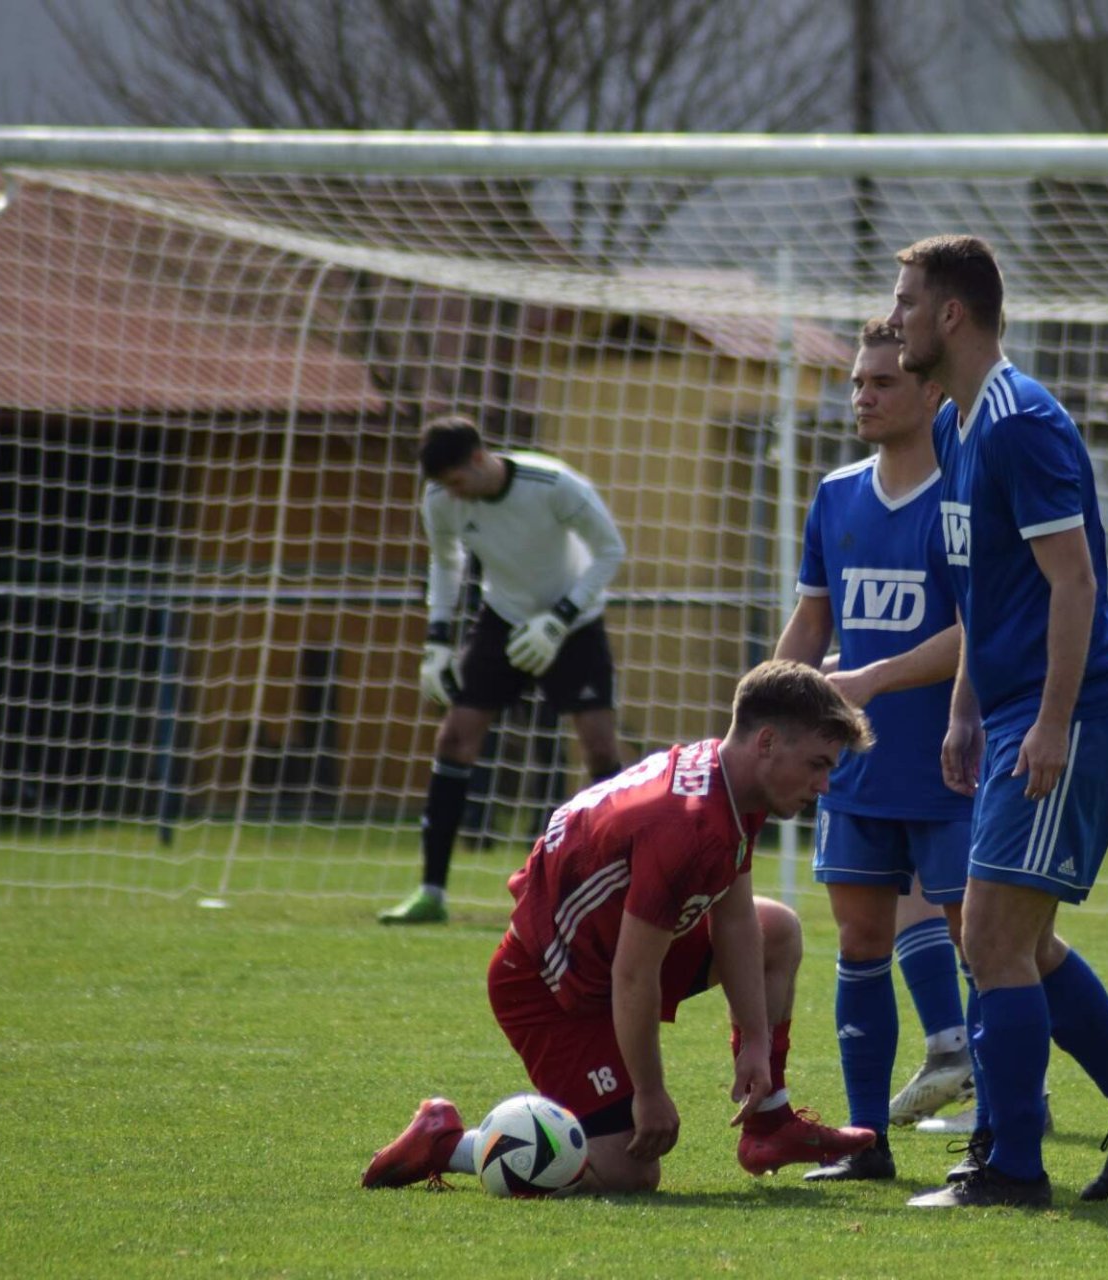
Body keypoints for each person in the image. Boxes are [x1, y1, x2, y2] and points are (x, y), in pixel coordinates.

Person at [887, 234, 1108, 1209]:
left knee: (990, 939)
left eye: (905, 302)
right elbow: (985, 589)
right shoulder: (954, 425)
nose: (892, 319)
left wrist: (1051, 721)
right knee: (1022, 942)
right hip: (1017, 709)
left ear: (950, 314)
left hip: (1077, 710)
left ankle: (1011, 1166)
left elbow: (1074, 582)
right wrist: (966, 706)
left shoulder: (1022, 423)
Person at [361, 660, 880, 1194]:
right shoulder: (686, 824)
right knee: (630, 1172)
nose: (824, 785)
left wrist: (755, 1039)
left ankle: (770, 1125)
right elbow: (633, 976)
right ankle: (448, 1143)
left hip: (604, 955)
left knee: (777, 929)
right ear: (766, 742)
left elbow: (736, 917)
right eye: (818, 765)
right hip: (547, 987)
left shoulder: (733, 783)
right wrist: (650, 1093)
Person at [772, 319, 976, 1180]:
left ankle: (1001, 1126)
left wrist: (874, 678)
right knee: (859, 942)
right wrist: (766, 710)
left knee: (984, 946)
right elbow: (813, 620)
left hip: (954, 761)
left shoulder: (966, 496)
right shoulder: (836, 494)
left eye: (881, 382)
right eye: (857, 382)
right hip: (856, 768)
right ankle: (866, 1143)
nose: (862, 396)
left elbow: (982, 629)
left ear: (932, 392)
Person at [380, 415, 628, 925]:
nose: (454, 494)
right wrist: (437, 641)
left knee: (601, 748)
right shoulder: (441, 498)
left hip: (574, 623)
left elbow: (610, 551)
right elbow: (445, 562)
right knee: (455, 739)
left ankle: (622, 888)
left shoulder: (554, 484)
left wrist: (558, 620)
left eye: (457, 481)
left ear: (478, 458)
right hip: (503, 619)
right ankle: (431, 892)